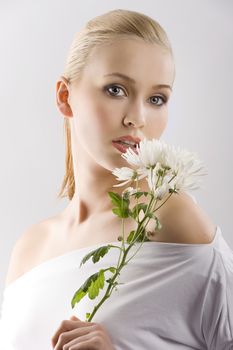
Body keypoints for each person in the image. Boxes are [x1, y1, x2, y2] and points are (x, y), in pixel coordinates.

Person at [0, 8, 232, 350]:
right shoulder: (28, 249)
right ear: (65, 97)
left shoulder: (172, 219)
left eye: (157, 99)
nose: (137, 118)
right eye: (116, 90)